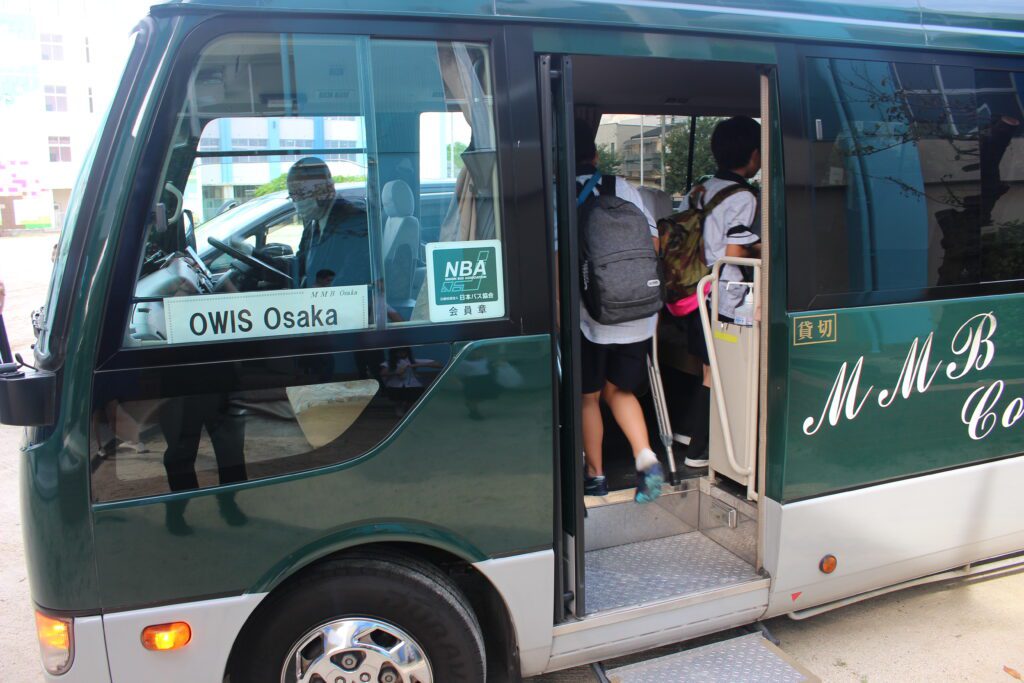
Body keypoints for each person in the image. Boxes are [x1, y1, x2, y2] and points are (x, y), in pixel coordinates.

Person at [574, 119, 664, 503]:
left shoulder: (561, 193)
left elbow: (561, 259)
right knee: (621, 390)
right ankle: (646, 459)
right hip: (639, 313)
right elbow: (655, 244)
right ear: (594, 155)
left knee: (589, 396)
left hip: (593, 317)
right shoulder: (622, 186)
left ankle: (596, 477)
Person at [683, 116, 762, 468]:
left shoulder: (699, 189)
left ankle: (690, 429)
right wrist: (762, 248)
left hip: (693, 290)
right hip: (724, 294)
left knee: (706, 366)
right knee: (717, 370)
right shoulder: (744, 195)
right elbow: (735, 252)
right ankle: (700, 447)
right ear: (754, 154)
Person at [287, 157, 371, 289]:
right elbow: (299, 265)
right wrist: (252, 253)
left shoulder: (355, 221)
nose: (297, 201)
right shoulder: (313, 224)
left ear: (325, 189)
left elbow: (351, 278)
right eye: (293, 196)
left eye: (302, 193)